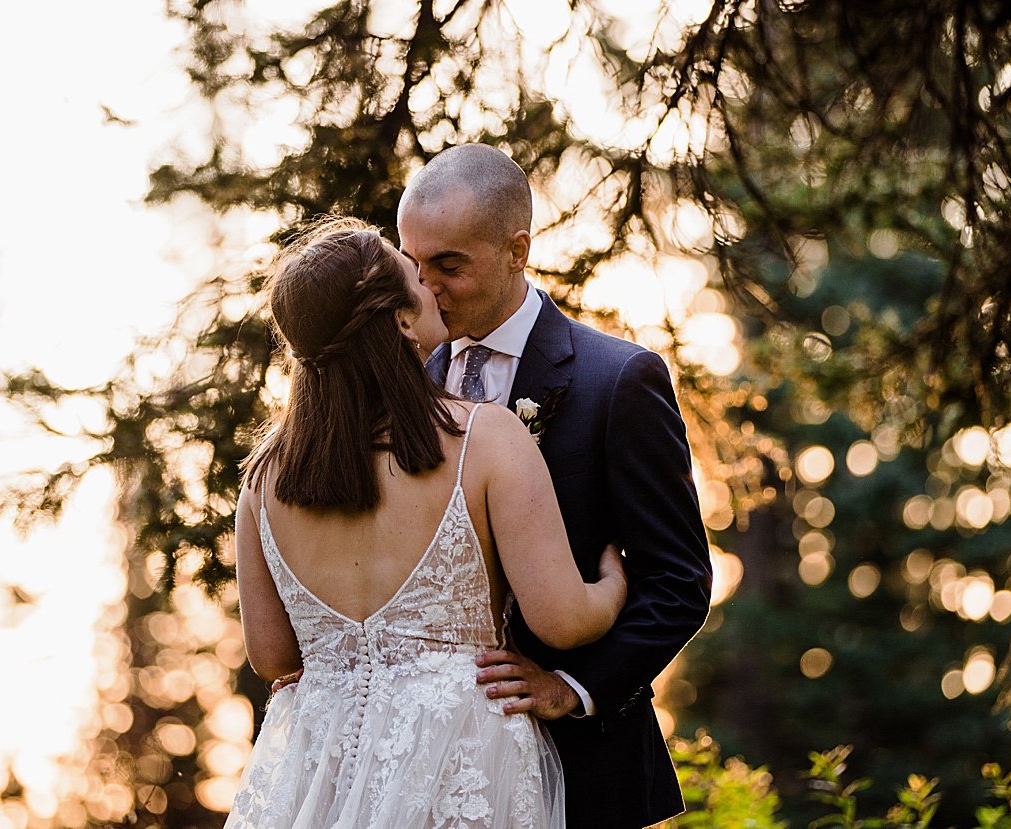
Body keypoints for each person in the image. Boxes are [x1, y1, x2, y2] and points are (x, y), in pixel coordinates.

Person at [225, 218, 628, 828]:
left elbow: (273, 654)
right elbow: (563, 622)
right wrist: (613, 582)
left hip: (319, 761)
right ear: (402, 321)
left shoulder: (263, 478)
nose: (427, 279)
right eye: (410, 270)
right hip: (457, 752)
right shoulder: (484, 438)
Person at [400, 144, 714, 829]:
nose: (427, 288)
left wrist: (574, 688)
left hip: (581, 770)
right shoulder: (401, 391)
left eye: (449, 265)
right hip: (428, 772)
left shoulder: (618, 382)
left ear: (518, 250)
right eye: (415, 265)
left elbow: (679, 580)